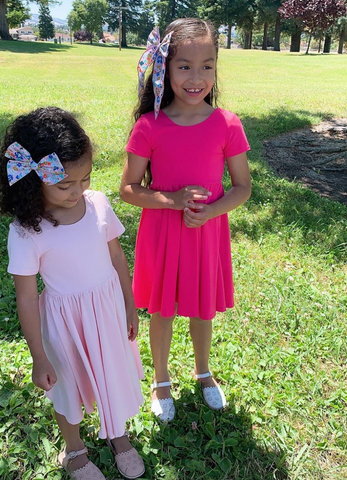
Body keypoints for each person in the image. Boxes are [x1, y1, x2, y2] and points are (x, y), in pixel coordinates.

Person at [0, 107, 145, 480]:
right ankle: (74, 448)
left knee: (111, 372)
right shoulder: (28, 231)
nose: (78, 191)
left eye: (85, 179)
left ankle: (117, 434)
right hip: (64, 323)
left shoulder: (99, 205)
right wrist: (38, 356)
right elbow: (26, 297)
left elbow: (115, 256)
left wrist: (129, 303)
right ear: (33, 181)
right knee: (67, 387)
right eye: (65, 185)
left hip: (106, 310)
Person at [120, 18, 252, 423]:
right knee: (161, 310)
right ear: (164, 68)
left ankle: (203, 370)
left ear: (216, 68)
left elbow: (242, 187)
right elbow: (128, 188)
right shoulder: (150, 126)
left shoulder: (227, 124)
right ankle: (160, 379)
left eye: (207, 66)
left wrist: (211, 210)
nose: (197, 77)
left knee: (201, 309)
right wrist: (172, 200)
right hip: (162, 234)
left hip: (206, 234)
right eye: (184, 66)